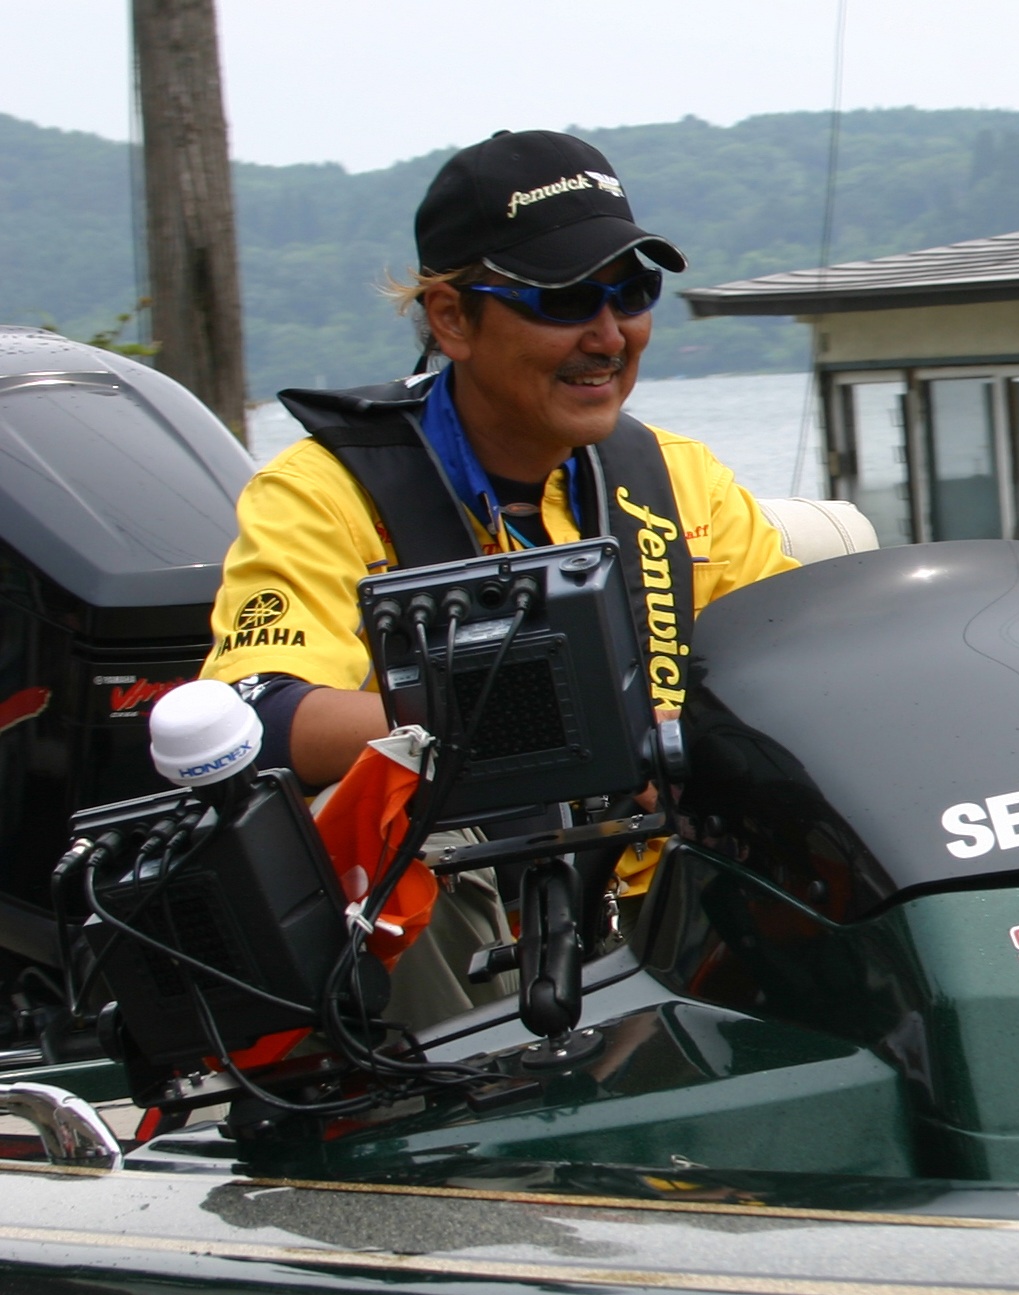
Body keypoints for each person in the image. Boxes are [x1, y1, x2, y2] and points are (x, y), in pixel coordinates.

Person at [200, 128, 797, 1022]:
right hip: (467, 922)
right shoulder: (324, 490)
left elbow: (797, 666)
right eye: (563, 299)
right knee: (382, 814)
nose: (608, 335)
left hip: (674, 910)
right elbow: (256, 713)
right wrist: (569, 726)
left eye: (632, 292)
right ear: (450, 319)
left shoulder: (680, 478)